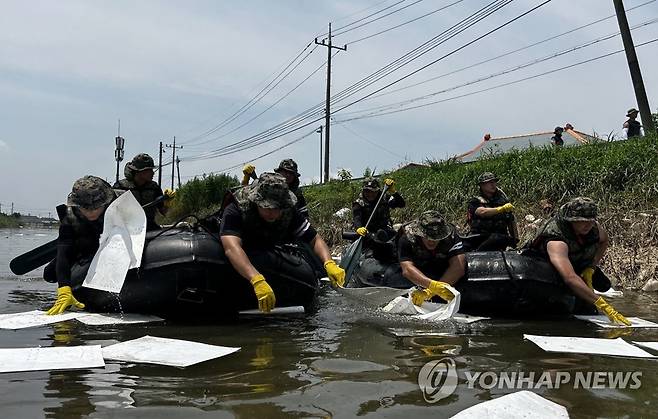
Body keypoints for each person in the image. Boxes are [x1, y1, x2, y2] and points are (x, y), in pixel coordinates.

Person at [220, 172, 345, 313]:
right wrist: (256, 279)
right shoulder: (237, 208)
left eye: (276, 209)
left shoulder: (288, 211)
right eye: (266, 207)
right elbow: (231, 247)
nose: (272, 213)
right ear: (256, 201)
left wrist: (329, 263)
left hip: (267, 248)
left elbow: (314, 239)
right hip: (238, 251)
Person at [526, 197, 630, 325]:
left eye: (591, 221)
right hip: (547, 271)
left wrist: (591, 267)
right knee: (568, 308)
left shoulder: (593, 228)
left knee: (601, 290)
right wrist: (604, 305)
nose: (588, 225)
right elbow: (569, 277)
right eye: (582, 221)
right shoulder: (556, 240)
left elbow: (604, 240)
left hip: (576, 263)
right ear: (571, 220)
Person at [44, 176, 116, 315]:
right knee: (49, 274)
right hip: (83, 245)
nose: (91, 212)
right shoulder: (69, 218)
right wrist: (64, 288)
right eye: (86, 208)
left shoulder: (118, 206)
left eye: (96, 208)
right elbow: (64, 251)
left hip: (110, 244)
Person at [397, 211, 466, 306]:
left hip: (440, 266)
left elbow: (458, 267)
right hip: (417, 266)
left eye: (436, 238)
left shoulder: (451, 236)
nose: (431, 241)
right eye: (427, 237)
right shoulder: (407, 237)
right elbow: (407, 269)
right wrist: (432, 285)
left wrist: (431, 291)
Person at [114, 153, 173, 231]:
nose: (153, 173)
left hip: (149, 228)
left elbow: (164, 212)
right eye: (149, 170)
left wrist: (167, 202)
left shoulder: (154, 187)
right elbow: (113, 213)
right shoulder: (121, 187)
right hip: (127, 230)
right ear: (139, 172)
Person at [465, 172, 518, 251]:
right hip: (480, 238)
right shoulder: (475, 201)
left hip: (501, 238)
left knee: (499, 238)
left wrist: (515, 240)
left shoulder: (502, 201)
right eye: (489, 183)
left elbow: (511, 221)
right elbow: (483, 212)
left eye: (494, 182)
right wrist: (501, 209)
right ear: (482, 185)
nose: (493, 185)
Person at [353, 177, 405, 250]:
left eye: (373, 191)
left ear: (378, 191)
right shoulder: (359, 203)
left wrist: (393, 192)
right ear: (363, 191)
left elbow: (401, 204)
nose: (370, 194)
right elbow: (357, 218)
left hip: (385, 230)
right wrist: (359, 228)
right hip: (368, 233)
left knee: (400, 238)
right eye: (367, 191)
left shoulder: (384, 197)